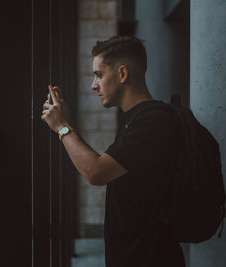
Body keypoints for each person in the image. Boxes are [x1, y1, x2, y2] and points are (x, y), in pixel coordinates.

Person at [41, 36, 185, 267]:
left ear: (122, 74)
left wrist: (62, 126)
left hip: (151, 260)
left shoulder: (153, 122)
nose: (93, 84)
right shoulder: (137, 119)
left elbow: (96, 172)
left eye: (99, 74)